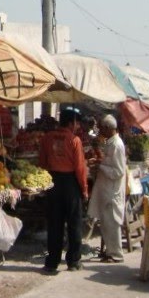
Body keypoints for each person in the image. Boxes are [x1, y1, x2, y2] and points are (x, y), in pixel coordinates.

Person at [38, 108, 89, 274]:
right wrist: (84, 190)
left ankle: (52, 262)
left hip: (53, 183)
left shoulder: (47, 138)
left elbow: (42, 163)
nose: (78, 125)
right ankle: (73, 261)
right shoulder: (75, 140)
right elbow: (80, 168)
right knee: (74, 223)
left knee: (54, 223)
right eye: (77, 122)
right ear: (71, 122)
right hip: (70, 183)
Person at [88, 114, 127, 263]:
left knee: (112, 223)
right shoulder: (110, 143)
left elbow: (118, 171)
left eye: (102, 128)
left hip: (112, 190)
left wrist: (101, 166)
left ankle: (116, 254)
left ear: (108, 128)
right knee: (105, 222)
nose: (100, 131)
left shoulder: (117, 145)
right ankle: (110, 251)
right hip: (105, 189)